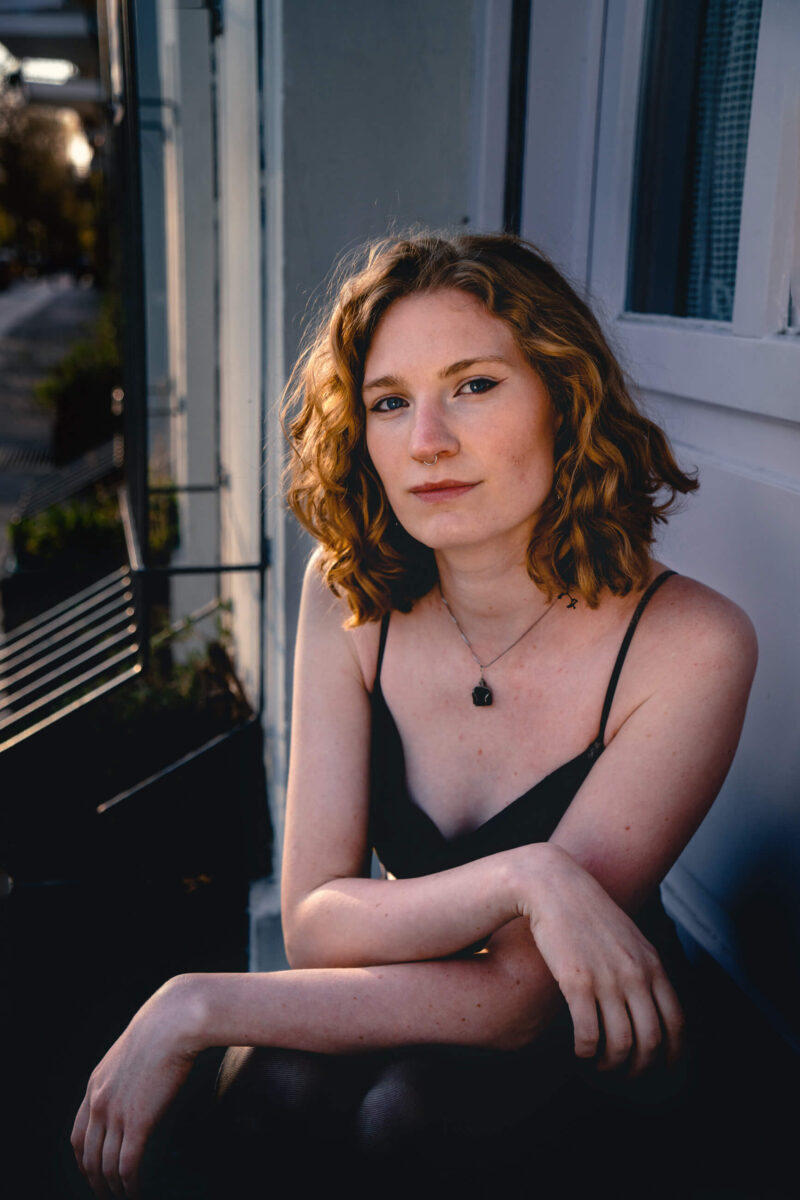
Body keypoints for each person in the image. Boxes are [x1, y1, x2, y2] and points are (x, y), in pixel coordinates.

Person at [72, 232, 756, 1197]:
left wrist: (196, 1006)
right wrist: (525, 875)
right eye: (389, 402)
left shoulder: (692, 643)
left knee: (408, 1120)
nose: (427, 440)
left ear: (565, 398)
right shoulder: (349, 594)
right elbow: (315, 924)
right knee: (276, 1087)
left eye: (474, 385)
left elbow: (518, 999)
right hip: (412, 995)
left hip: (595, 1043)